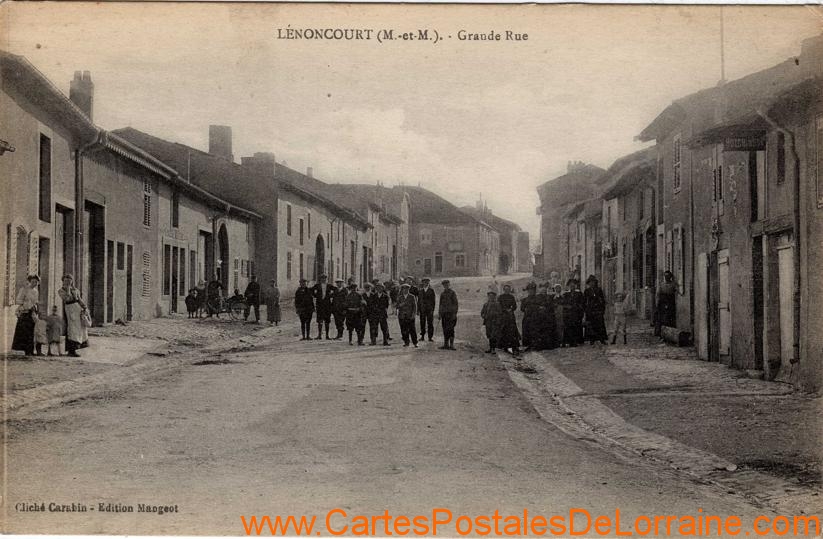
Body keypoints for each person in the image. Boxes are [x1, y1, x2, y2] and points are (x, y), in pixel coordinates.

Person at [58, 274, 88, 357]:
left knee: (78, 328)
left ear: (72, 281)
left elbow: (79, 299)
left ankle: (75, 349)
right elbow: (67, 299)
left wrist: (84, 307)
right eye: (66, 280)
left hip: (77, 308)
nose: (68, 282)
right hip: (70, 309)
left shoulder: (76, 290)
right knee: (71, 329)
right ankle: (71, 350)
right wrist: (68, 289)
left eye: (69, 280)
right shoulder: (61, 290)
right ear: (63, 281)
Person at [12, 275, 40, 357]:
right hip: (24, 311)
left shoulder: (36, 291)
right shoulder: (24, 289)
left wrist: (35, 307)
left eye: (36, 282)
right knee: (24, 331)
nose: (35, 283)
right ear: (30, 281)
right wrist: (25, 304)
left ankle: (30, 350)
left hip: (32, 312)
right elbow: (18, 300)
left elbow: (35, 301)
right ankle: (23, 349)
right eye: (33, 281)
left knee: (31, 331)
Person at [584, 275, 608, 345]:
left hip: (598, 309)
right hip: (590, 310)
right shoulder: (587, 291)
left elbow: (602, 300)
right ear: (588, 283)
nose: (592, 283)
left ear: (595, 282)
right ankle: (592, 339)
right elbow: (584, 301)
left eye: (593, 282)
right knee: (591, 325)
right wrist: (586, 309)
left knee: (600, 325)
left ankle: (602, 339)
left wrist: (602, 309)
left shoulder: (599, 290)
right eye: (590, 282)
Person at [497, 283, 521, 356]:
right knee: (504, 330)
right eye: (506, 289)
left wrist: (511, 309)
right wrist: (505, 310)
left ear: (510, 290)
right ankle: (505, 346)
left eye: (508, 289)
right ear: (504, 290)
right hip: (503, 316)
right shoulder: (500, 297)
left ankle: (514, 347)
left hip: (510, 316)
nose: (507, 291)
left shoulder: (511, 297)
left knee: (512, 330)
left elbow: (515, 306)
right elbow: (498, 306)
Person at [561, 279, 585, 347]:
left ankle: (576, 341)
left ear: (576, 286)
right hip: (568, 314)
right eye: (571, 285)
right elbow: (563, 303)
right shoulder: (566, 294)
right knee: (568, 327)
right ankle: (568, 341)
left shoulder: (579, 294)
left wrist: (578, 308)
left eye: (573, 285)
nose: (572, 286)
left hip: (576, 313)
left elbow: (582, 303)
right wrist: (567, 307)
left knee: (576, 326)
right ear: (569, 286)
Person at [520, 282, 542, 351]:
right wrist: (525, 309)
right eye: (529, 290)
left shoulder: (538, 298)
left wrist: (537, 308)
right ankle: (528, 345)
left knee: (536, 331)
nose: (531, 291)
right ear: (528, 291)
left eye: (532, 290)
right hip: (527, 317)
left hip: (536, 317)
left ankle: (536, 345)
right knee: (527, 330)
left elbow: (540, 306)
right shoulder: (524, 299)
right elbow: (522, 308)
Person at [656, 270, 677, 339]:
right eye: (665, 276)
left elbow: (676, 292)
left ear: (670, 277)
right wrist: (658, 303)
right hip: (662, 302)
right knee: (661, 318)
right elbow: (658, 294)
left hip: (670, 302)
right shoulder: (662, 284)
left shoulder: (673, 284)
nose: (666, 277)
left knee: (670, 318)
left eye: (668, 276)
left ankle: (670, 335)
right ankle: (661, 334)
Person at [312, 274, 335, 339]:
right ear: (320, 279)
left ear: (326, 279)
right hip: (320, 305)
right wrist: (316, 295)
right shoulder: (317, 285)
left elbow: (336, 290)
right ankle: (319, 335)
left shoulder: (329, 286)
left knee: (327, 320)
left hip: (327, 305)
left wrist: (331, 295)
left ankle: (327, 336)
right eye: (322, 278)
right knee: (320, 320)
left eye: (324, 278)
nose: (323, 279)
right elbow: (311, 290)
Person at [438, 280, 458, 350]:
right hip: (444, 315)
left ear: (449, 285)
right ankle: (446, 344)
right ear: (443, 286)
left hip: (451, 315)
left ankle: (451, 345)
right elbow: (440, 305)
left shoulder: (452, 293)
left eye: (447, 285)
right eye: (444, 285)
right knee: (445, 329)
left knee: (451, 329)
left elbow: (455, 304)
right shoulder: (442, 294)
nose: (446, 286)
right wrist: (440, 314)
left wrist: (454, 314)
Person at [397, 283, 418, 348]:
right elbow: (397, 306)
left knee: (412, 330)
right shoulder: (400, 297)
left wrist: (413, 315)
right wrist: (400, 305)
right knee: (403, 330)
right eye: (404, 289)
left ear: (409, 289)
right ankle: (406, 342)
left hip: (410, 316)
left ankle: (415, 343)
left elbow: (415, 307)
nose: (405, 290)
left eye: (407, 289)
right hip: (402, 316)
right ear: (402, 290)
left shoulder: (412, 296)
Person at [418, 277, 436, 341]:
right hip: (422, 310)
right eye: (424, 282)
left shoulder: (431, 290)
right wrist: (418, 310)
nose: (426, 283)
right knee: (422, 323)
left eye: (427, 282)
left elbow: (433, 301)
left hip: (429, 310)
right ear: (423, 283)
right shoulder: (420, 291)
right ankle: (422, 336)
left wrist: (432, 309)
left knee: (430, 323)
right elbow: (419, 301)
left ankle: (430, 337)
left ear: (429, 283)